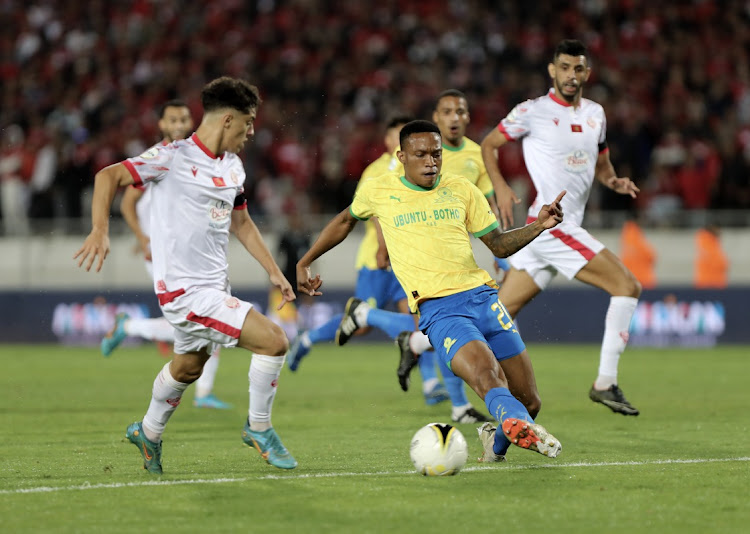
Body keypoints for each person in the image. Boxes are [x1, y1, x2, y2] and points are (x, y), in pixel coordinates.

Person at [297, 120, 565, 462]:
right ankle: (515, 423)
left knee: (529, 401)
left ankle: (495, 449)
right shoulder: (379, 190)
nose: (431, 162)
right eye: (421, 154)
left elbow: (497, 244)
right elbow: (344, 221)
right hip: (441, 310)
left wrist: (538, 226)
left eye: (436, 154)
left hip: (484, 300)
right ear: (402, 156)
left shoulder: (461, 188)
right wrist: (306, 260)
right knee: (487, 377)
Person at [75, 76, 297, 473]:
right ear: (227, 120)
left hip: (213, 287)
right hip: (184, 292)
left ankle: (148, 431)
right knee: (275, 340)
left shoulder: (233, 167)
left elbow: (242, 223)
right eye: (247, 124)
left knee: (188, 367)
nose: (250, 133)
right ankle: (258, 428)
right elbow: (107, 176)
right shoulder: (170, 157)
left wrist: (275, 271)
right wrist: (100, 228)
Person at [480, 39, 642, 416]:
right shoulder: (532, 111)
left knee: (498, 313)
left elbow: (601, 163)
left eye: (578, 68)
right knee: (627, 285)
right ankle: (605, 382)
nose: (572, 75)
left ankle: (417, 344)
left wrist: (614, 181)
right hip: (552, 224)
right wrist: (501, 186)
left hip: (545, 234)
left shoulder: (596, 114)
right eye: (565, 68)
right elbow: (489, 144)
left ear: (587, 73)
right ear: (552, 71)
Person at [337, 90, 509, 423]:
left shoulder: (476, 155)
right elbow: (384, 194)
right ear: (437, 116)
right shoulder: (408, 153)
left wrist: (500, 252)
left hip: (456, 259)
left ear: (468, 117)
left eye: (461, 110)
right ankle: (377, 325)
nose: (454, 117)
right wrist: (382, 241)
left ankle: (395, 335)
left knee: (447, 333)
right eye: (447, 111)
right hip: (411, 252)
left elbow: (486, 207)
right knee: (449, 332)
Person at [286, 116, 454, 410]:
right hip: (376, 261)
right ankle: (309, 338)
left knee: (420, 321)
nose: (392, 143)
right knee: (361, 328)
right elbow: (372, 210)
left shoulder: (417, 171)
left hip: (406, 262)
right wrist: (381, 245)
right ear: (391, 144)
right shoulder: (376, 171)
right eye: (390, 138)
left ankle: (430, 384)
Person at [99, 100, 231, 410]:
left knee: (209, 320)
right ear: (161, 125)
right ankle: (129, 328)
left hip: (192, 254)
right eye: (172, 119)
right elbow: (127, 204)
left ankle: (204, 393)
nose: (179, 124)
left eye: (184, 118)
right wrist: (142, 236)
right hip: (165, 256)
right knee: (202, 319)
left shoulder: (196, 155)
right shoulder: (158, 158)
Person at [620, 217, 656, 289]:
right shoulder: (637, 237)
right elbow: (651, 256)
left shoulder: (627, 239)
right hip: (644, 280)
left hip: (631, 281)